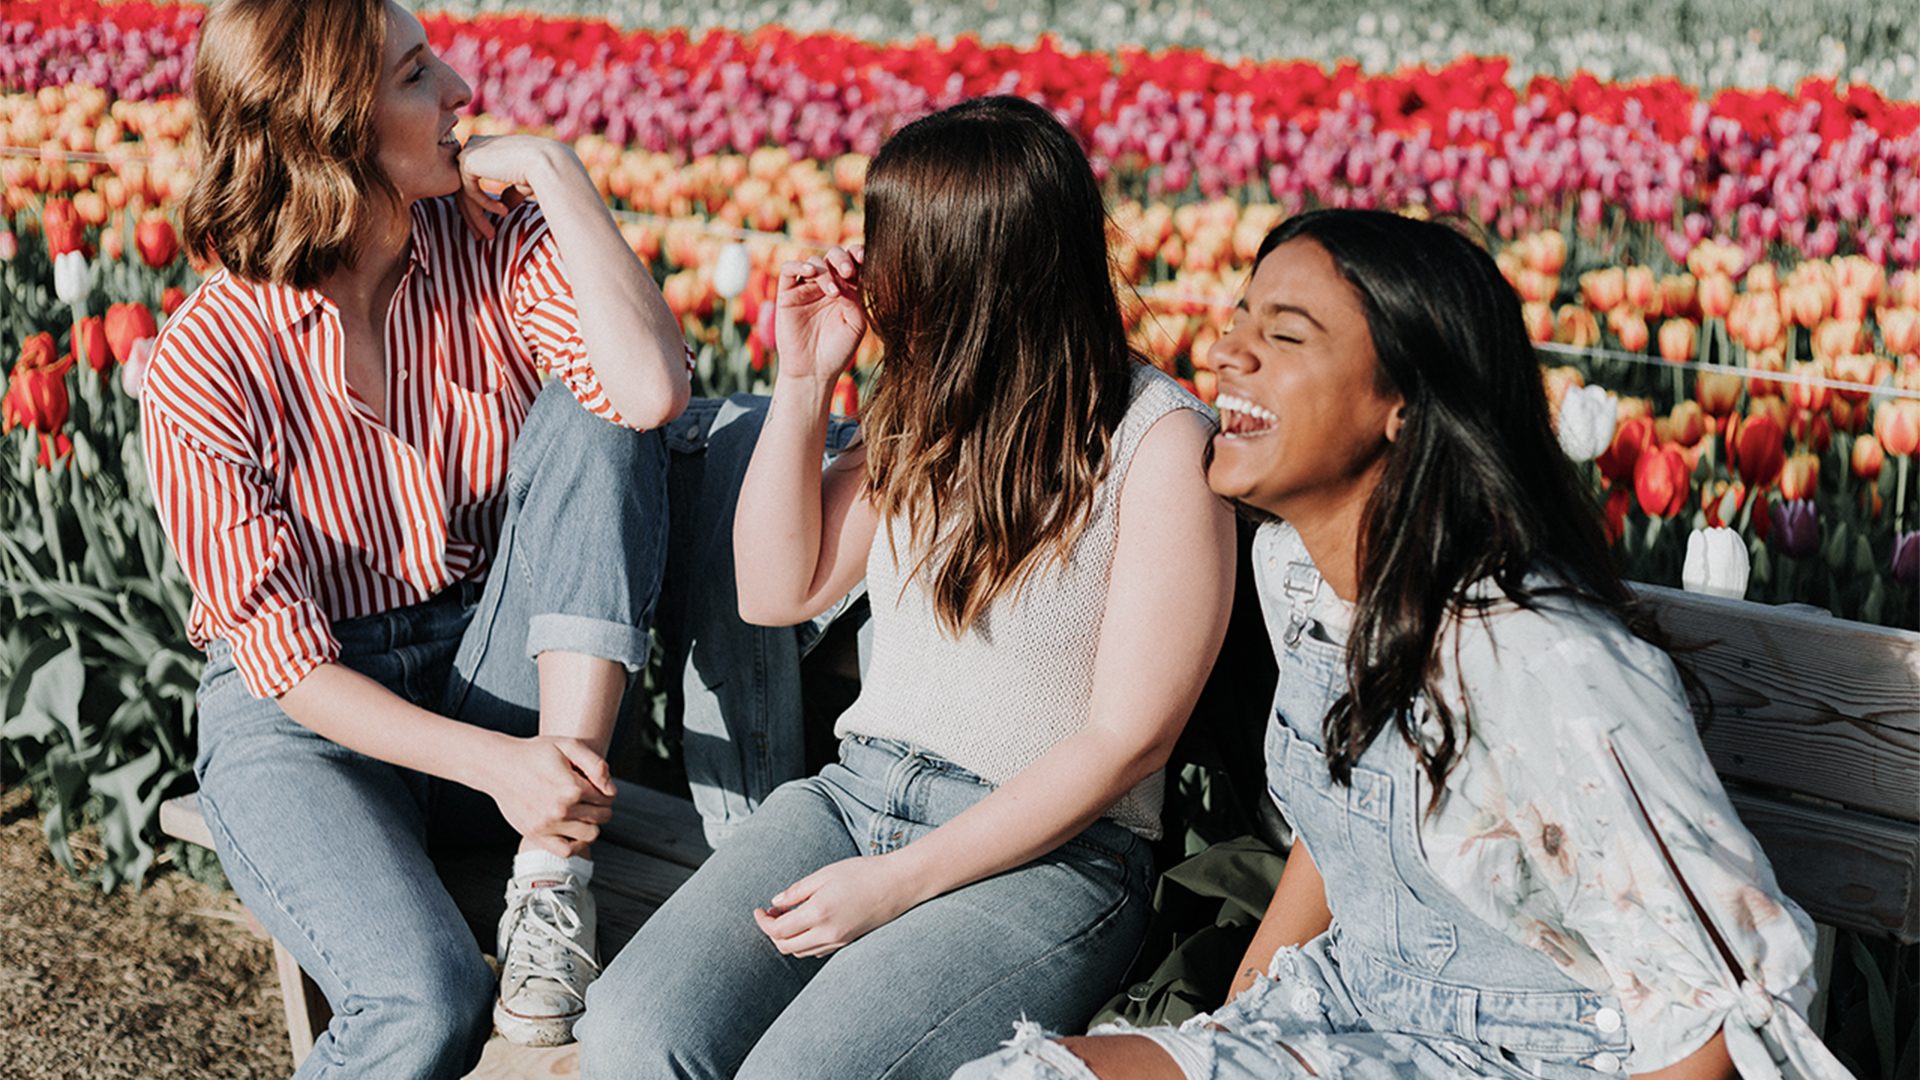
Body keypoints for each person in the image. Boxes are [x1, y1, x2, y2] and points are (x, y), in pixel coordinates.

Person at [956, 210, 1852, 1080]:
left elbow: (1718, 1001)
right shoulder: (1296, 575)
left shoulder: (1536, 657)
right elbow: (1341, 824)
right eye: (1237, 321)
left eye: (1287, 335)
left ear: (1405, 406)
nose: (1227, 352)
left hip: (1530, 1052)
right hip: (1347, 1009)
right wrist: (1230, 1026)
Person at [576, 95, 1237, 1080]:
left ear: (967, 265)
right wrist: (803, 381)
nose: (868, 268)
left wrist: (898, 884)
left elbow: (1125, 741)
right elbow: (775, 589)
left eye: (890, 243)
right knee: (630, 1037)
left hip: (1050, 853)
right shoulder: (931, 405)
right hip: (852, 797)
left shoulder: (1161, 440)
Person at [139, 0, 691, 1072]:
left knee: (598, 409)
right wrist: (502, 764)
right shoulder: (206, 361)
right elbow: (289, 665)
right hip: (311, 728)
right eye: (414, 76)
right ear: (328, 126)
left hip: (507, 677)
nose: (461, 94)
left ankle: (549, 877)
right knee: (422, 1003)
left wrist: (560, 176)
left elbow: (651, 390)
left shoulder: (494, 244)